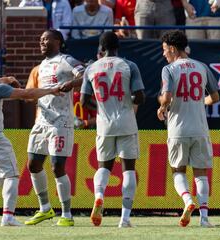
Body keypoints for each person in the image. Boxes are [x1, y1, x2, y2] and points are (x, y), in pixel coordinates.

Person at [0, 50, 62, 227]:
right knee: (12, 176)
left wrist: (7, 78)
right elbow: (26, 94)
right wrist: (51, 90)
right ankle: (8, 216)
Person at [80, 31, 145, 228]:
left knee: (103, 167)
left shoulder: (91, 68)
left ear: (101, 48)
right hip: (126, 122)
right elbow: (140, 96)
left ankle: (99, 196)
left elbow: (83, 101)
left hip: (104, 124)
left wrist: (100, 106)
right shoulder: (129, 65)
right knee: (128, 170)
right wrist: (128, 100)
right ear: (118, 47)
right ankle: (124, 218)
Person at [157, 30, 219, 227]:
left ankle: (187, 200)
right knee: (201, 173)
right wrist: (200, 102)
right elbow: (215, 97)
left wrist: (162, 107)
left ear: (173, 49)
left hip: (178, 129)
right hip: (200, 128)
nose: (164, 54)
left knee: (178, 170)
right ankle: (204, 218)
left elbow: (166, 97)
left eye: (165, 50)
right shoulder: (202, 67)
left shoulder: (169, 69)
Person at [24, 29, 85, 227]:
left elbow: (86, 75)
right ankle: (45, 209)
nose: (41, 41)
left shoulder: (65, 60)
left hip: (61, 122)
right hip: (41, 121)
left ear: (57, 41)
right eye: (40, 39)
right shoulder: (41, 66)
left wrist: (72, 83)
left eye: (45, 39)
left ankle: (67, 213)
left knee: (57, 166)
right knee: (33, 164)